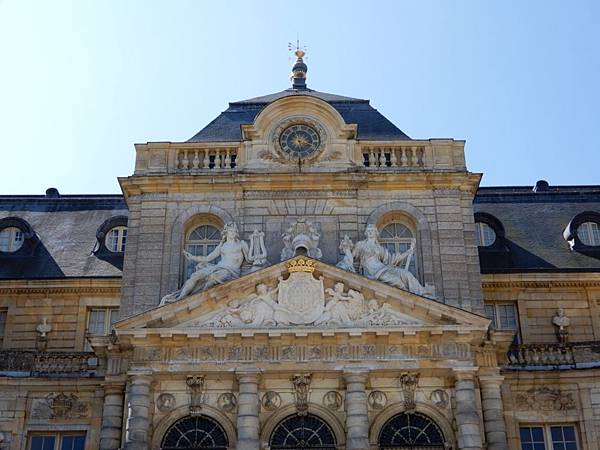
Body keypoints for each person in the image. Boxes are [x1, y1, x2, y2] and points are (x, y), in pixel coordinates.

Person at [160, 223, 252, 305]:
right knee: (195, 275)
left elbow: (249, 258)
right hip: (219, 267)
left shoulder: (241, 244)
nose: (233, 232)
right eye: (231, 231)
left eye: (234, 231)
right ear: (226, 232)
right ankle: (179, 298)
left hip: (231, 271)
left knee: (213, 277)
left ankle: (201, 300)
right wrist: (192, 257)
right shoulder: (222, 246)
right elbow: (208, 258)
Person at [337, 224, 426, 295]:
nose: (370, 232)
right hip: (373, 273)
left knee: (406, 274)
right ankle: (408, 298)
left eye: (372, 231)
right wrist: (347, 250)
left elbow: (392, 259)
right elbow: (351, 257)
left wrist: (408, 252)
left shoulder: (380, 248)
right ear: (366, 233)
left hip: (383, 268)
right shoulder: (361, 245)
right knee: (398, 283)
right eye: (368, 231)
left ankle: (422, 294)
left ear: (376, 233)